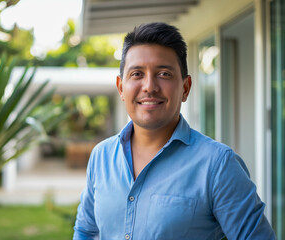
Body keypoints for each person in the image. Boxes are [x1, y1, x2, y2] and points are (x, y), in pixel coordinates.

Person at [73, 22, 276, 240]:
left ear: (185, 88)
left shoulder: (217, 165)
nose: (149, 86)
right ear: (121, 88)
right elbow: (86, 230)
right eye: (137, 74)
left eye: (164, 74)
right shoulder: (101, 156)